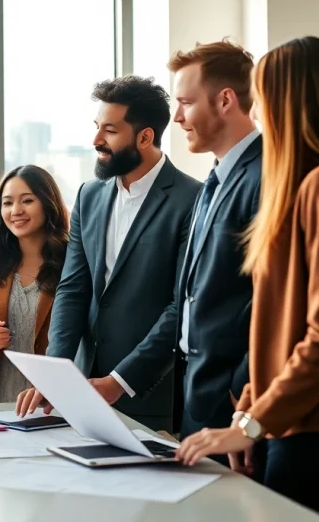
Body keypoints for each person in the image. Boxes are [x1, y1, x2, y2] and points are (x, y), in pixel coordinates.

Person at [176, 36, 319, 522]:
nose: (260, 115)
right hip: (303, 429)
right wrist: (250, 414)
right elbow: (279, 331)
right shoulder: (315, 185)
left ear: (293, 103)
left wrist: (255, 423)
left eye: (265, 100)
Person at [16, 76, 202, 432]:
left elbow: (181, 307)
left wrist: (120, 381)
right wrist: (57, 374)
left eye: (110, 130)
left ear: (145, 137)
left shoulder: (192, 199)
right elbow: (73, 289)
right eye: (97, 127)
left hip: (150, 394)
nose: (96, 140)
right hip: (81, 390)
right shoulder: (89, 195)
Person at [110, 41, 264, 457]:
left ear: (226, 100)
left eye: (186, 102)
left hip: (236, 408)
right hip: (200, 405)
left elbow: (272, 299)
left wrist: (246, 403)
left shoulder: (265, 178)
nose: (176, 117)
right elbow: (191, 300)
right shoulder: (212, 183)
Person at [0, 165, 70, 404]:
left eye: (27, 200)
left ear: (47, 203)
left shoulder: (71, 262)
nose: (16, 211)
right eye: (7, 203)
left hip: (49, 403)